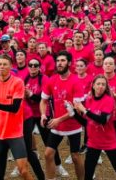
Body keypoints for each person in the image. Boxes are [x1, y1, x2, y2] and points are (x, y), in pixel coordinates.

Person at [72, 75, 116, 180]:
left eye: (103, 84)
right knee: (88, 174)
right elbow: (86, 123)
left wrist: (85, 110)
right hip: (93, 142)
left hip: (108, 141)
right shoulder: (89, 100)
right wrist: (73, 113)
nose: (100, 86)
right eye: (98, 84)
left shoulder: (109, 100)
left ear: (106, 87)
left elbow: (102, 120)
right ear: (93, 86)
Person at [40, 51, 86, 180]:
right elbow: (43, 101)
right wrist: (43, 115)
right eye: (58, 61)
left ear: (70, 63)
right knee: (48, 154)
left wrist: (58, 120)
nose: (59, 63)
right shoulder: (52, 80)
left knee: (76, 156)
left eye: (63, 61)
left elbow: (77, 109)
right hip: (57, 126)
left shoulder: (76, 81)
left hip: (73, 125)